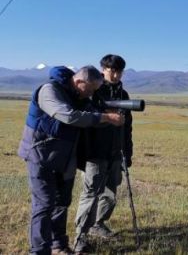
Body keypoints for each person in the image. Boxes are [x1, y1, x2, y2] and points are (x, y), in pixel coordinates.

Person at [17, 66, 125, 255]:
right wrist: (104, 116)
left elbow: (91, 117)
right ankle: (39, 251)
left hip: (65, 159)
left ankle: (58, 246)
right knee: (44, 205)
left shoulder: (79, 96)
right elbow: (68, 116)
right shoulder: (49, 90)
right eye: (91, 89)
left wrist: (109, 117)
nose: (92, 94)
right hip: (41, 156)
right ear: (79, 82)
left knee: (62, 203)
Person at [74, 54, 133, 252]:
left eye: (119, 71)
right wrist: (107, 118)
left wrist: (128, 152)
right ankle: (80, 235)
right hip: (95, 152)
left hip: (116, 152)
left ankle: (98, 224)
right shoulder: (93, 92)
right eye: (111, 70)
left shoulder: (124, 96)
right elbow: (85, 119)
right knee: (91, 194)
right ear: (103, 70)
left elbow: (128, 127)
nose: (115, 74)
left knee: (110, 193)